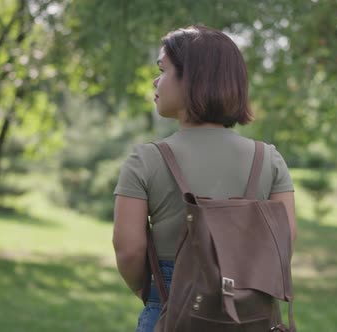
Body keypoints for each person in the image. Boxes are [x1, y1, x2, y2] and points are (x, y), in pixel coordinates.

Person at [112, 25, 297, 332]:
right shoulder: (269, 159)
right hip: (250, 314)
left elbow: (129, 250)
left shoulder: (146, 160)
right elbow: (285, 242)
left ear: (192, 80)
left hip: (171, 307)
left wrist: (158, 294)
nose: (156, 81)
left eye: (163, 69)